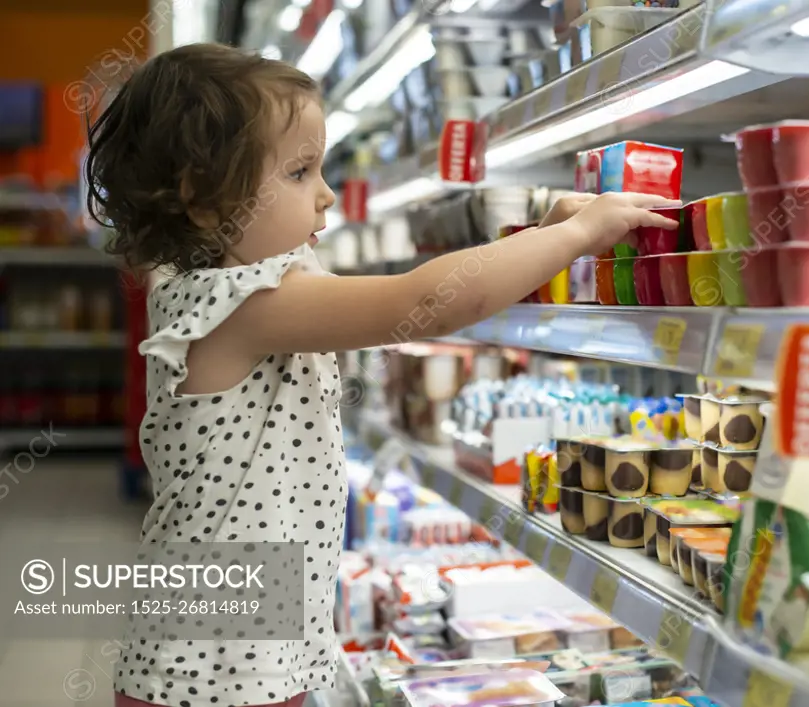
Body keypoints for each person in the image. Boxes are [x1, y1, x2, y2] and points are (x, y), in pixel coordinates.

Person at [86, 42, 678, 707]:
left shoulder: (251, 293)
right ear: (200, 199)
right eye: (300, 172)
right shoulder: (234, 304)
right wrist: (571, 239)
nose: (326, 194)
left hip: (245, 642)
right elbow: (419, 301)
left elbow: (435, 289)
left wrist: (535, 236)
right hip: (218, 667)